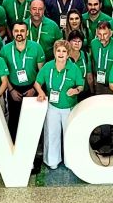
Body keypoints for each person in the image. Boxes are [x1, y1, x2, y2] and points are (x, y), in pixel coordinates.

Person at [36, 41, 86, 171]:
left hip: (69, 107)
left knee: (70, 134)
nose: (61, 54)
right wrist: (41, 92)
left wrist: (76, 91)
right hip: (52, 106)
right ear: (54, 52)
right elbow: (37, 83)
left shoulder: (74, 68)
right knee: (51, 134)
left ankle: (71, 160)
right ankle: (52, 160)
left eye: (64, 51)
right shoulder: (48, 67)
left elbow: (81, 85)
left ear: (68, 54)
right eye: (58, 51)